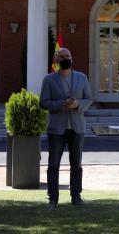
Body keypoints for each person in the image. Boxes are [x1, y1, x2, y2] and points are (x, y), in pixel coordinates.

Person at [40, 48, 93, 208]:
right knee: (53, 164)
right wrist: (61, 104)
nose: (65, 58)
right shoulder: (49, 80)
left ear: (72, 58)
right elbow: (43, 102)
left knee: (76, 164)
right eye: (62, 56)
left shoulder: (82, 77)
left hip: (77, 128)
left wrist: (78, 104)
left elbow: (89, 99)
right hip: (57, 129)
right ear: (56, 59)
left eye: (67, 56)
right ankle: (52, 199)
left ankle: (76, 196)